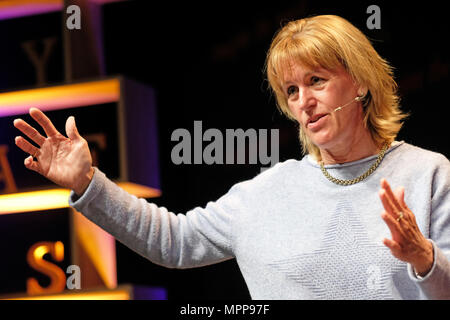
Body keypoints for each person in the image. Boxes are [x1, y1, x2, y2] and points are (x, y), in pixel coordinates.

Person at [13, 15, 450, 299]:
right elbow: (175, 242)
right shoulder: (265, 192)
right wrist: (89, 183)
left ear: (360, 84)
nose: (304, 102)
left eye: (317, 80)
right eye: (292, 91)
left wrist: (423, 257)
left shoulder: (427, 173)